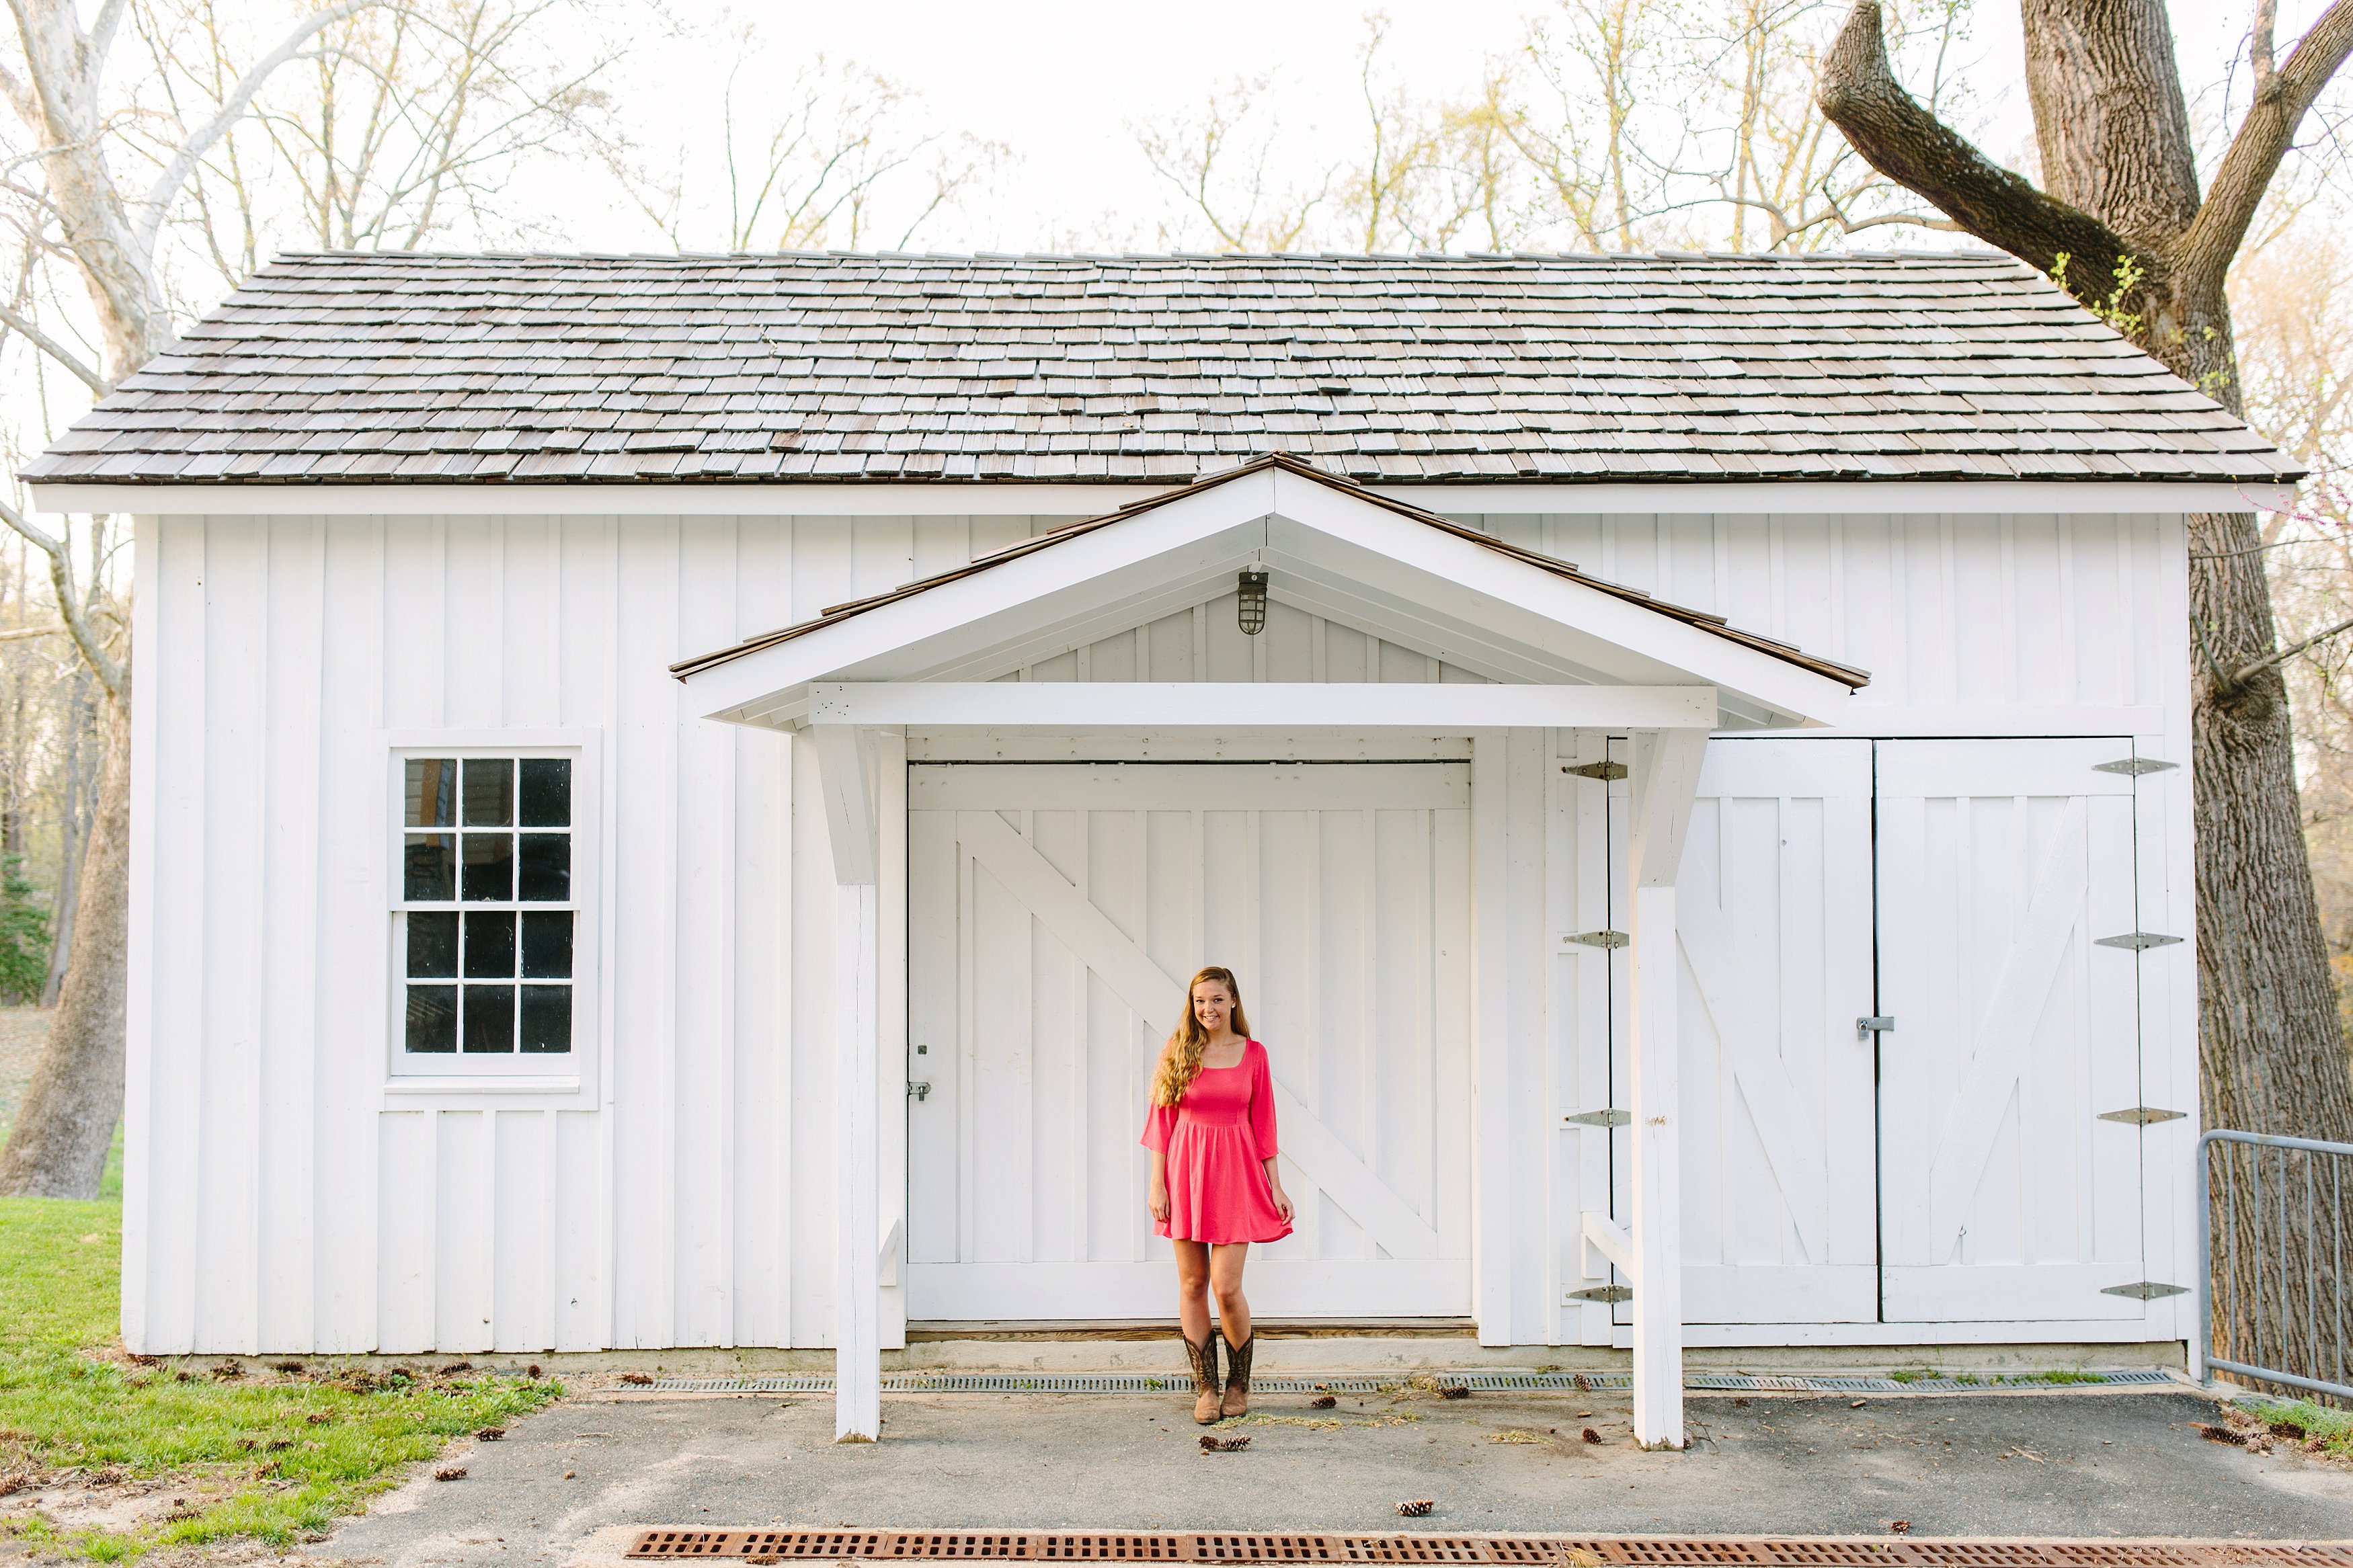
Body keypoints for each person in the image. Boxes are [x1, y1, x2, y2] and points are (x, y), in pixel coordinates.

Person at [1141, 966, 1296, 1423]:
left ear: (1233, 1001)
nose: (1207, 1008)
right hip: (1185, 1172)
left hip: (1236, 1174)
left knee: (1226, 1288)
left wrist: (1276, 1184)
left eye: (1215, 999)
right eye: (1199, 1000)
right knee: (1192, 1283)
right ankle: (1206, 1386)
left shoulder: (1254, 1055)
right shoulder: (1179, 1049)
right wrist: (1157, 1182)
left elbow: (1264, 1124)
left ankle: (1237, 1383)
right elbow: (1161, 1122)